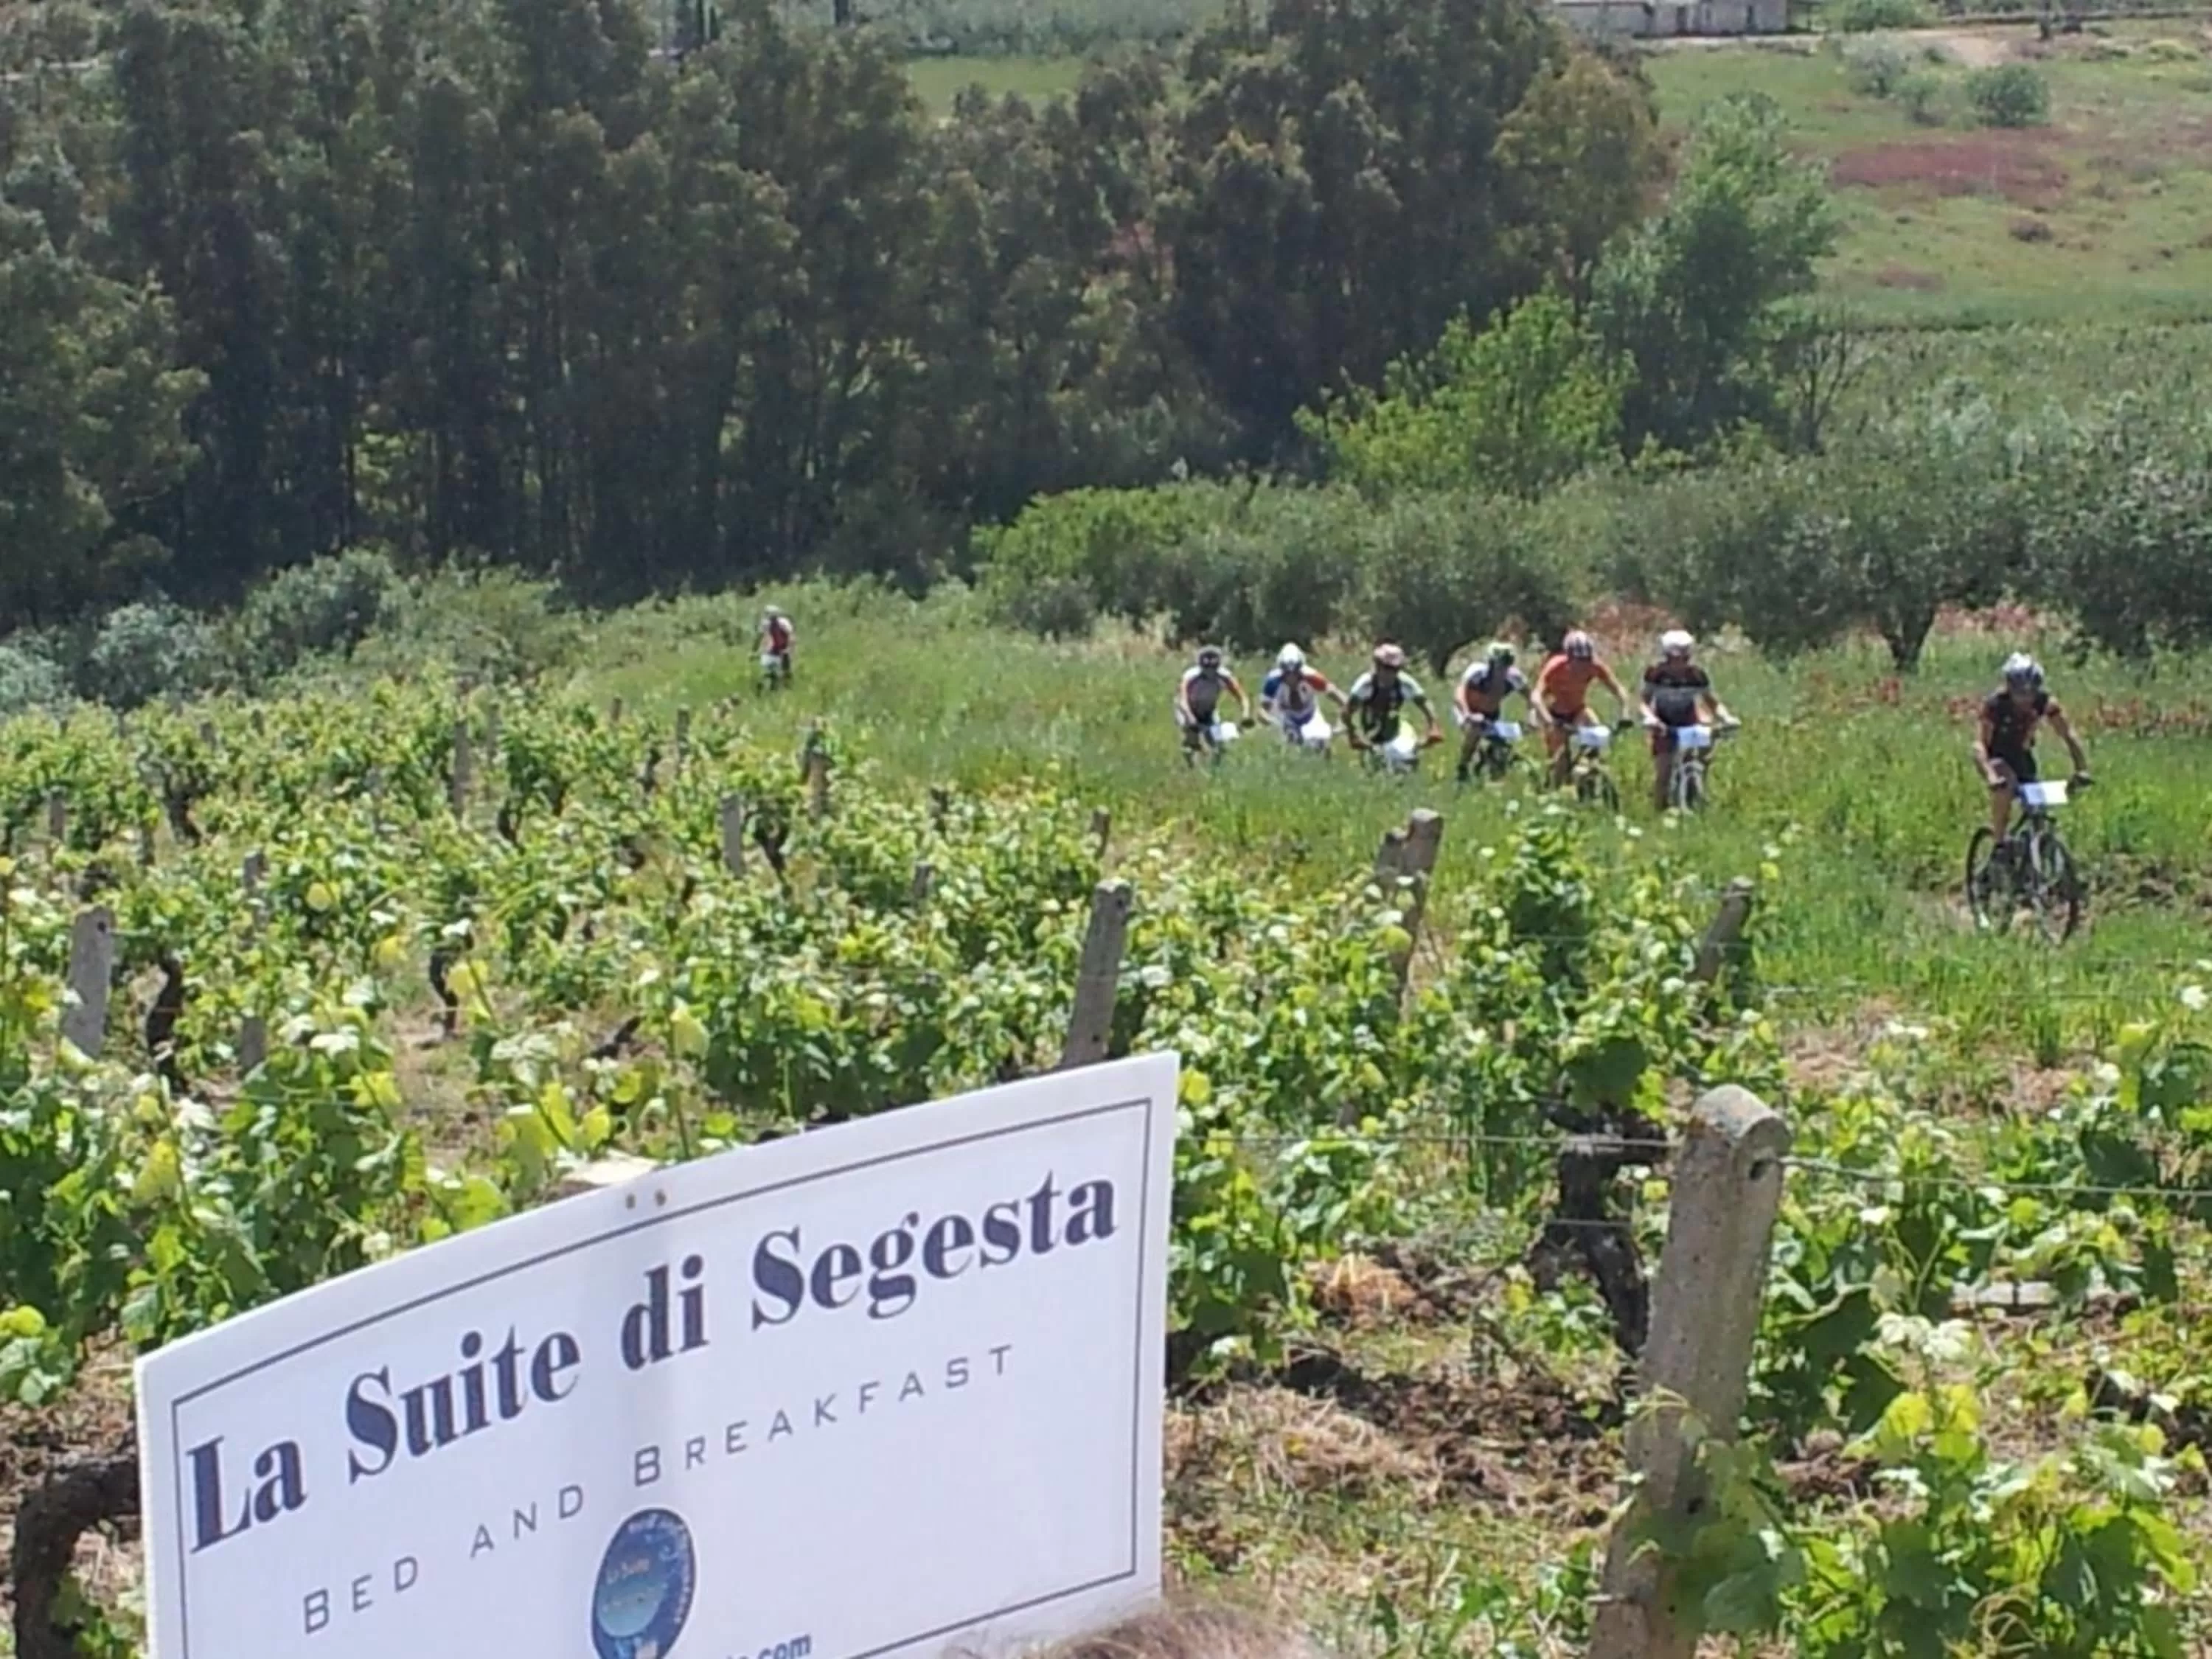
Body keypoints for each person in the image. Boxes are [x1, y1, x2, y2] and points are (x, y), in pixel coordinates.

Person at [1975, 652, 2088, 858]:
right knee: (2006, 786)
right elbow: (1979, 745)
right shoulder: (1995, 705)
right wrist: (1991, 776)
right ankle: (1999, 844)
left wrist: (2082, 768)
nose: (2026, 698)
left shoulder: (2045, 703)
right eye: (2020, 692)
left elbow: (2068, 734)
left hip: (2022, 758)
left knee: (2039, 808)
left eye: (2031, 691)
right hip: (1995, 758)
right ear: (2010, 687)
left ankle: (2036, 858)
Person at [1641, 629, 1738, 811]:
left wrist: (1726, 717)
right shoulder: (1655, 673)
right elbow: (1643, 701)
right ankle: (1659, 810)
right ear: (1666, 656)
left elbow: (1712, 702)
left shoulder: (1696, 675)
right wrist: (1649, 718)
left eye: (1685, 659)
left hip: (1688, 719)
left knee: (1704, 745)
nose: (1680, 664)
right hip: (1663, 722)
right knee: (1664, 771)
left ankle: (1696, 786)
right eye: (1675, 659)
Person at [1532, 629, 1631, 787]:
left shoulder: (1595, 666)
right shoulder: (1556, 666)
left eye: (1587, 660)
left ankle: (1588, 780)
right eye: (1579, 661)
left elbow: (1618, 689)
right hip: (1554, 714)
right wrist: (1548, 720)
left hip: (1578, 710)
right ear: (1569, 658)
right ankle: (1555, 790)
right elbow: (1536, 696)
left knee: (1598, 739)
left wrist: (1625, 712)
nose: (1583, 666)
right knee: (1561, 760)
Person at [1343, 643, 1441, 762]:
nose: (1390, 674)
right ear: (1377, 666)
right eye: (1386, 668)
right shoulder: (1366, 685)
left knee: (1407, 758)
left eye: (1395, 669)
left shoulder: (1404, 683)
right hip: (1371, 732)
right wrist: (1353, 734)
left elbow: (1425, 704)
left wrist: (1434, 727)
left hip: (1396, 729)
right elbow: (1347, 712)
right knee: (1380, 761)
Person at [1453, 640, 1528, 782]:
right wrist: (1468, 714)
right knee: (1475, 730)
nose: (1503, 669)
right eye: (1500, 664)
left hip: (1491, 714)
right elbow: (1459, 694)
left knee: (1502, 747)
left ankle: (1495, 773)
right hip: (1467, 710)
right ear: (1491, 664)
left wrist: (1533, 717)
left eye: (1507, 664)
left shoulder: (1514, 677)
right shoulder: (1477, 672)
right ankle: (1463, 767)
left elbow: (1531, 699)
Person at [1259, 644, 1347, 745]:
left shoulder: (1312, 677)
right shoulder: (1272, 682)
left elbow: (1340, 697)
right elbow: (1262, 710)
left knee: (1321, 741)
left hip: (1310, 716)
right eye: (1287, 673)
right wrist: (1272, 721)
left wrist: (1342, 722)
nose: (1291, 677)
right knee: (1290, 745)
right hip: (1287, 718)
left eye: (1295, 672)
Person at [1175, 644, 1251, 759]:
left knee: (1217, 743)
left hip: (1209, 711)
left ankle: (1215, 766)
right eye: (1207, 669)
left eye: (1213, 670)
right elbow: (1183, 701)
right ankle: (1190, 763)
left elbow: (1242, 697)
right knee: (1191, 738)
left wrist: (1246, 714)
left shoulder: (1224, 676)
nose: (1210, 673)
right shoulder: (1191, 676)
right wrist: (1190, 718)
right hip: (1188, 710)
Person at [758, 605, 795, 683]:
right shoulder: (766, 624)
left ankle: (785, 684)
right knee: (771, 671)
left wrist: (789, 648)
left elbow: (791, 636)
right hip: (771, 650)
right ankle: (775, 684)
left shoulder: (783, 623)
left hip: (782, 649)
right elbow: (762, 637)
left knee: (785, 671)